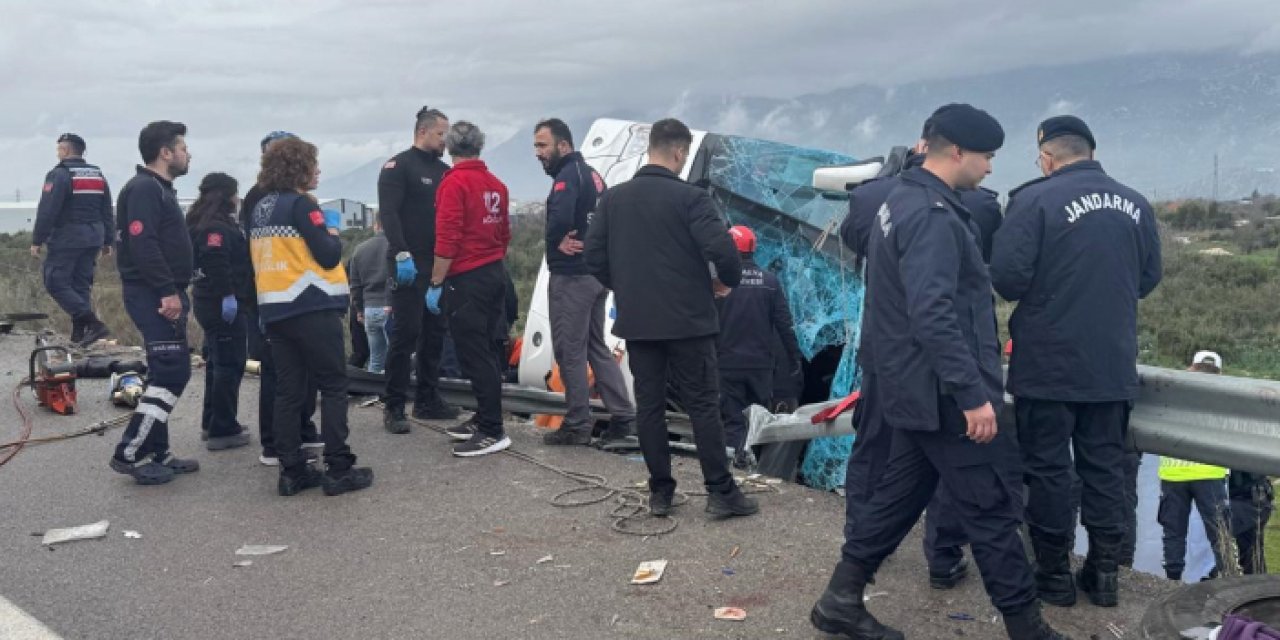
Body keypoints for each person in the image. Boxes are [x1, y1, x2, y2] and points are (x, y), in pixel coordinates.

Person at [811, 105, 1068, 640]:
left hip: (911, 387)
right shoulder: (932, 216)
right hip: (944, 393)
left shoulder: (900, 199)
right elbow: (933, 314)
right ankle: (1027, 628)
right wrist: (973, 394)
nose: (991, 169)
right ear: (956, 152)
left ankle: (840, 598)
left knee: (902, 495)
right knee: (994, 507)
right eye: (986, 157)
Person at [990, 115, 1163, 608]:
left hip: (1047, 364)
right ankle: (1105, 575)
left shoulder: (1034, 200)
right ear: (1091, 150)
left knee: (1047, 471)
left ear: (1046, 157)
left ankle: (1052, 578)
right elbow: (1148, 278)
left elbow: (1007, 278)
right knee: (1105, 469)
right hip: (1111, 363)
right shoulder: (1135, 202)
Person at [584, 117, 759, 520]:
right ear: (679, 152)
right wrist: (726, 284)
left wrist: (624, 286)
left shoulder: (613, 199)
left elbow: (593, 256)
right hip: (689, 322)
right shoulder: (692, 199)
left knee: (648, 406)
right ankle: (720, 492)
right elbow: (723, 251)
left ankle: (660, 494)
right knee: (702, 405)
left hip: (639, 321)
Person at [839, 133, 973, 592]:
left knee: (874, 447)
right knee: (946, 466)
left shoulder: (872, 198)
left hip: (884, 351)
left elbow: (855, 243)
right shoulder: (966, 203)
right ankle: (943, 556)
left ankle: (861, 541)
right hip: (942, 362)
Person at [248, 136, 372, 496]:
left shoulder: (261, 207)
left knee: (288, 390)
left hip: (276, 310)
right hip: (311, 306)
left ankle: (292, 470)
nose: (318, 170)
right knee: (333, 385)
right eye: (313, 164)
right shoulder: (302, 206)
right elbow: (329, 254)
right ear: (299, 167)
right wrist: (331, 231)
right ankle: (338, 467)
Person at [533, 118, 636, 446]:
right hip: (595, 274)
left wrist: (555, 242)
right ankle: (623, 416)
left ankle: (577, 423)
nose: (538, 153)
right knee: (595, 346)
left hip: (572, 277)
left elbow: (560, 217)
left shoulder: (567, 176)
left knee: (569, 350)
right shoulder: (593, 175)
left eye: (542, 145)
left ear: (563, 145)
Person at [109, 120, 201, 485]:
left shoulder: (160, 189)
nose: (187, 154)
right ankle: (129, 452)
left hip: (165, 291)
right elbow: (142, 244)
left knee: (165, 371)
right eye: (182, 148)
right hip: (153, 294)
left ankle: (157, 451)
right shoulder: (145, 189)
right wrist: (167, 291)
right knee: (172, 372)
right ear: (166, 153)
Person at [427, 121, 512, 457]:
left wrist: (436, 281)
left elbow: (447, 240)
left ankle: (492, 428)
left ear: (449, 148)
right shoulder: (496, 185)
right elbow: (504, 234)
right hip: (494, 273)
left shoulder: (454, 183)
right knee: (488, 350)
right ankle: (484, 416)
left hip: (467, 277)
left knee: (472, 352)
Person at [242, 131, 321, 466]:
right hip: (279, 296)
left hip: (282, 295)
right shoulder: (265, 199)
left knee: (295, 373)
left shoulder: (274, 198)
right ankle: (275, 442)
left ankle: (299, 431)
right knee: (279, 374)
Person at [381, 106, 458, 433]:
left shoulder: (444, 171)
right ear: (423, 132)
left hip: (437, 267)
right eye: (442, 134)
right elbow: (390, 213)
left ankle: (428, 398)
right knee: (406, 334)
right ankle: (394, 406)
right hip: (408, 266)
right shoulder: (397, 167)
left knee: (435, 334)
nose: (446, 140)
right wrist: (400, 253)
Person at [715, 224, 802, 469]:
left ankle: (733, 466)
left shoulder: (720, 282)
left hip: (728, 363)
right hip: (760, 367)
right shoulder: (770, 282)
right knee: (755, 418)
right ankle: (748, 460)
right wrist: (795, 358)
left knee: (733, 418)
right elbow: (785, 325)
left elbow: (705, 320)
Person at [187, 172, 252, 451]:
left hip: (205, 299)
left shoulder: (198, 222)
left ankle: (211, 421)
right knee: (230, 363)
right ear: (226, 195)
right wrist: (228, 295)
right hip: (220, 301)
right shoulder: (216, 228)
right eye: (235, 194)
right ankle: (223, 428)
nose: (238, 199)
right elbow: (217, 262)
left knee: (217, 362)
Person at [1156, 351, 1233, 581]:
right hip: (1211, 472)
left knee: (1173, 534)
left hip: (1174, 472)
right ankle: (1227, 581)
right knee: (1220, 534)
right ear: (1219, 372)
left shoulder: (1173, 389)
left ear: (1192, 366)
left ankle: (1171, 584)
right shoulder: (1229, 395)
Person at [31, 133, 114, 346]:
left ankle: (93, 324)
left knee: (55, 282)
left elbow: (48, 210)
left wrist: (37, 239)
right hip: (93, 237)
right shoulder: (97, 174)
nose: (57, 152)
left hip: (68, 237)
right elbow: (106, 208)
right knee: (80, 285)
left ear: (66, 150)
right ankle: (81, 335)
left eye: (59, 149)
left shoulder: (59, 175)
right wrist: (108, 241)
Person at [348, 216, 391, 373]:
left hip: (370, 309)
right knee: (396, 358)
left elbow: (355, 285)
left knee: (376, 358)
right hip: (391, 308)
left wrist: (359, 310)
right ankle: (394, 394)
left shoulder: (359, 249)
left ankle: (375, 390)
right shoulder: (398, 247)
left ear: (376, 225)